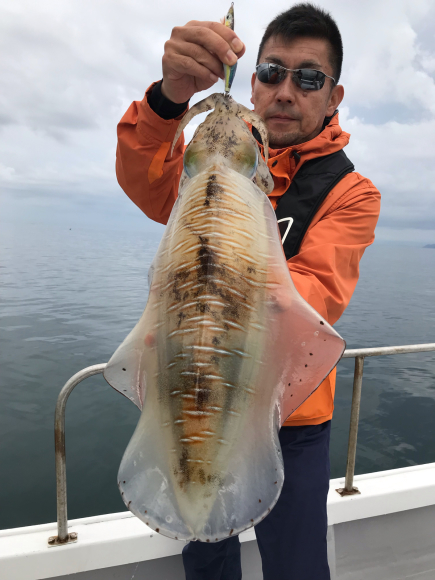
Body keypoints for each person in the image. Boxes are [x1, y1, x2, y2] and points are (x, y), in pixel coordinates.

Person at [115, 3, 381, 579]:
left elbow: (315, 296)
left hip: (296, 418)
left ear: (333, 97)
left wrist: (217, 281)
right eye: (271, 72)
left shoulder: (351, 191)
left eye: (309, 78)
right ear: (253, 80)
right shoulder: (204, 165)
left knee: (296, 565)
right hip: (189, 391)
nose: (286, 91)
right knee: (205, 557)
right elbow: (144, 179)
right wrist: (168, 97)